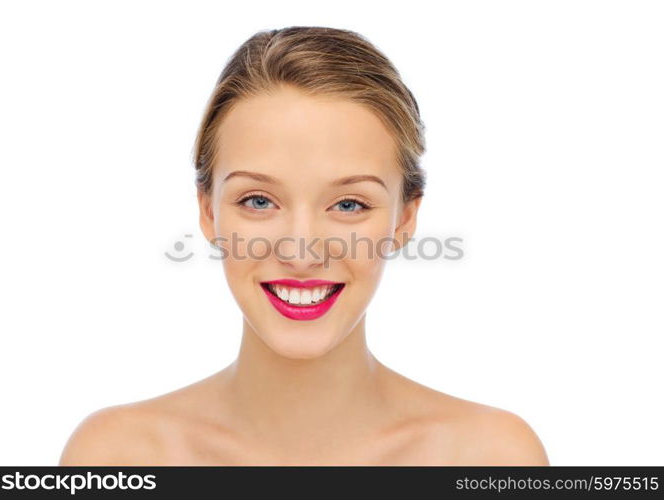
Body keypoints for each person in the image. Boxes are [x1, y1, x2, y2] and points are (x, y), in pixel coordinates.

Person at [59, 26, 549, 465]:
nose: (301, 253)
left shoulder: (491, 458)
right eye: (257, 200)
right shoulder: (115, 458)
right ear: (209, 212)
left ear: (405, 218)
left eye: (350, 205)